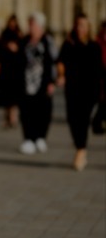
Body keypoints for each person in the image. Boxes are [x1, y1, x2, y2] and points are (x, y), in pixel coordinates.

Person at [56, 13, 103, 171]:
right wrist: (61, 76)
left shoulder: (94, 46)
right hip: (72, 89)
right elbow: (61, 62)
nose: (79, 28)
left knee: (82, 121)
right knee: (72, 120)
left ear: (88, 27)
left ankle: (80, 151)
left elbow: (99, 71)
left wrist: (100, 93)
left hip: (89, 91)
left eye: (83, 25)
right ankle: (80, 147)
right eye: (77, 24)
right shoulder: (69, 44)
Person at [17, 12, 56, 155]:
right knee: (27, 110)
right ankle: (28, 138)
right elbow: (19, 60)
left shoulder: (47, 41)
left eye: (33, 24)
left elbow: (53, 62)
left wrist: (52, 81)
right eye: (30, 24)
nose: (30, 27)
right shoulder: (24, 40)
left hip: (42, 81)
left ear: (40, 26)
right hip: (26, 82)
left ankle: (40, 137)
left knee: (43, 110)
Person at [0, 15, 24, 128]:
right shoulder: (4, 34)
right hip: (6, 69)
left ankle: (13, 117)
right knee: (6, 96)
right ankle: (7, 118)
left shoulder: (19, 35)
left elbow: (22, 49)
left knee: (14, 96)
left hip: (15, 69)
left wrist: (16, 48)